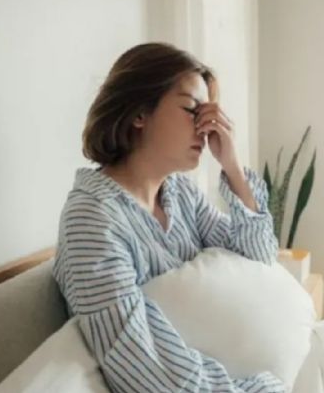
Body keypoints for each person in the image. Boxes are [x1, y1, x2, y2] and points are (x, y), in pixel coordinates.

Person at [52, 42, 284, 393]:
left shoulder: (179, 194)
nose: (206, 129)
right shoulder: (93, 220)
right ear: (139, 114)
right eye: (193, 111)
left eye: (209, 113)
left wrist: (233, 168)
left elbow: (260, 256)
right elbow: (147, 371)